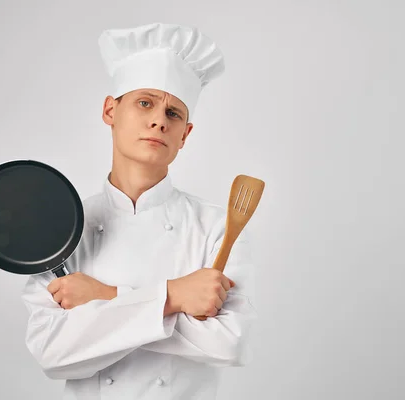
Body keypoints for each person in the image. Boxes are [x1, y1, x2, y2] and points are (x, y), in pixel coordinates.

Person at [20, 22, 258, 400]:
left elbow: (229, 343)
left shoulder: (218, 227)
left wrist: (105, 297)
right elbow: (53, 353)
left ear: (185, 134)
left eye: (174, 113)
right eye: (145, 102)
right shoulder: (62, 229)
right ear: (110, 110)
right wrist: (174, 297)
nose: (159, 120)